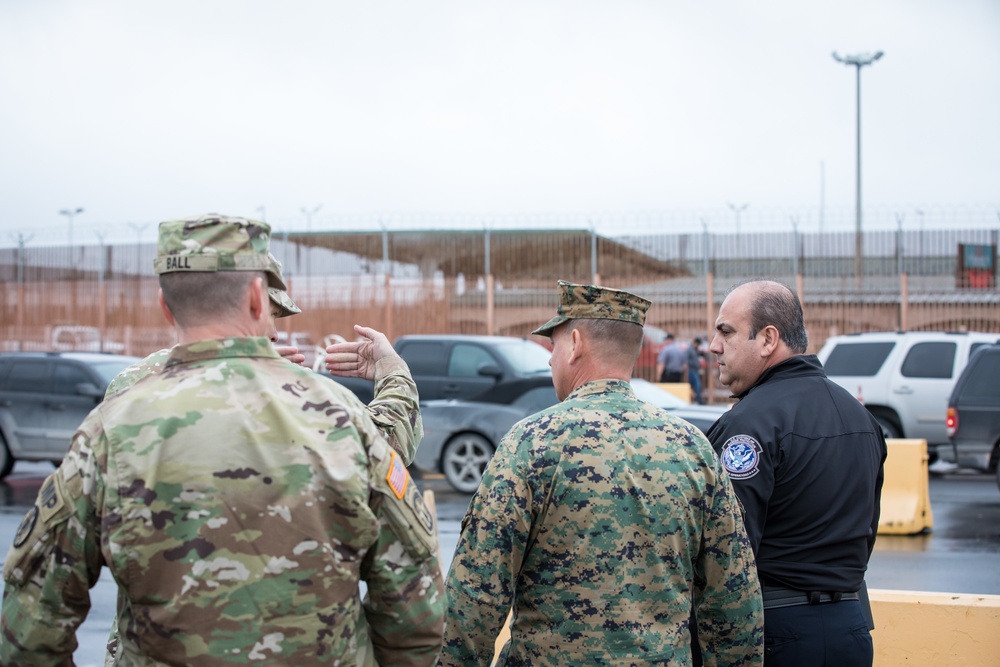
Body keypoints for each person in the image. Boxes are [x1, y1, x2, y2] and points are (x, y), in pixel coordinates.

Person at [0, 213, 444, 665]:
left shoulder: (111, 430)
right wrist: (393, 375)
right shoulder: (339, 416)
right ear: (257, 297)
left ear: (165, 306)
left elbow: (31, 624)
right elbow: (415, 603)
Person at [442, 279, 763, 666]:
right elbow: (733, 599)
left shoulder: (531, 443)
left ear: (575, 344)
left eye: (554, 345)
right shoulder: (693, 448)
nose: (549, 360)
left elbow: (475, 595)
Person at [705, 280, 886, 666]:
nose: (714, 346)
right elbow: (867, 530)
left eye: (726, 332)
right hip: (850, 631)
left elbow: (726, 553)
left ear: (768, 339)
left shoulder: (749, 424)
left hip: (777, 631)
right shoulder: (860, 417)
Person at [687, 336, 706, 404]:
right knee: (697, 385)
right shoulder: (690, 350)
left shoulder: (694, 349)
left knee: (694, 385)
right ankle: (699, 401)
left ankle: (696, 400)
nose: (698, 346)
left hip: (694, 369)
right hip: (691, 370)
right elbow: (687, 360)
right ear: (695, 343)